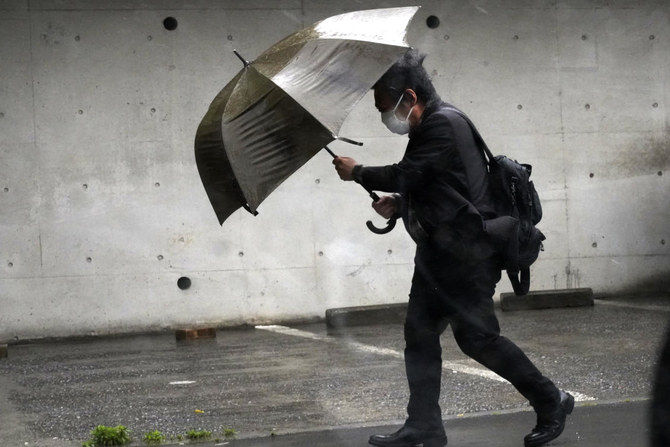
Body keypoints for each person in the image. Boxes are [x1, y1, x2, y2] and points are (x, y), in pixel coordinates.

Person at [332, 50, 574, 447]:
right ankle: (423, 425)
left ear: (409, 98)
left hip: (467, 255)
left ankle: (552, 400)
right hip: (439, 254)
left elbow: (409, 173)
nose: (384, 116)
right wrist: (399, 203)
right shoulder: (429, 127)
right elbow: (432, 185)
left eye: (384, 107)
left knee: (478, 339)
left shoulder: (443, 124)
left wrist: (357, 172)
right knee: (419, 335)